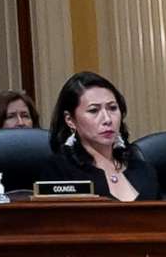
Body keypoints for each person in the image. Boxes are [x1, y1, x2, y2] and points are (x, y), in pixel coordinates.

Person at [49, 70, 157, 200]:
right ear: (70, 120)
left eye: (112, 108)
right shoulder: (59, 170)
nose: (107, 119)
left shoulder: (143, 169)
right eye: (94, 110)